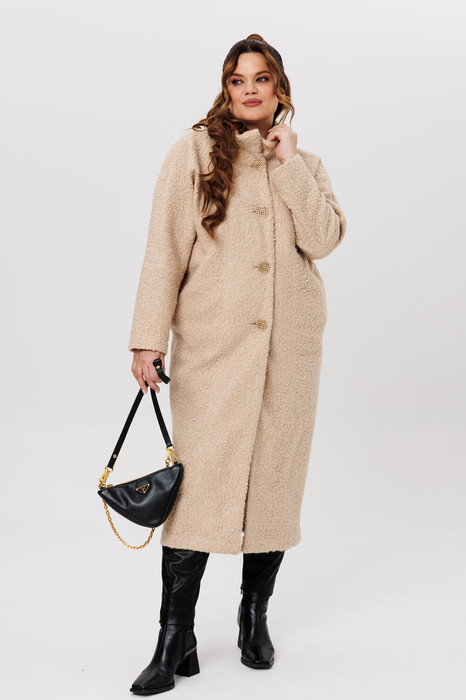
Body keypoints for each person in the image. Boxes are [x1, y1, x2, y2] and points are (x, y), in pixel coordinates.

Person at [127, 33, 347, 695]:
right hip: (214, 350)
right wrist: (147, 339)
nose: (249, 90)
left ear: (279, 89)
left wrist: (288, 163)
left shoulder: (304, 163)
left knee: (275, 483)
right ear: (226, 90)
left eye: (261, 79)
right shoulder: (193, 152)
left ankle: (255, 618)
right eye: (237, 80)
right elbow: (164, 248)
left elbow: (325, 239)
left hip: (289, 353)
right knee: (195, 488)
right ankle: (175, 637)